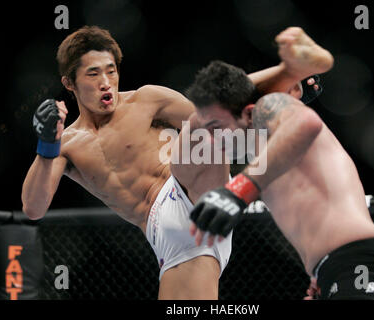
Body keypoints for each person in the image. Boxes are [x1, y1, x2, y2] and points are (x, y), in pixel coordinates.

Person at [21, 25, 319, 299]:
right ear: (69, 82)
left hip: (189, 188)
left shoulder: (146, 100)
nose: (105, 83)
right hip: (165, 236)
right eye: (93, 74)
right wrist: (47, 143)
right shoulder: (66, 145)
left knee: (202, 118)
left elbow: (219, 122)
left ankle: (286, 81)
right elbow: (34, 209)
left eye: (111, 72)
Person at [187, 28, 374, 300]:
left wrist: (239, 190)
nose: (212, 139)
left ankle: (293, 69)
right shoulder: (267, 153)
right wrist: (319, 272)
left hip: (363, 264)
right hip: (339, 268)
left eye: (217, 127)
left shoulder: (271, 105)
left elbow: (307, 123)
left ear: (246, 111)